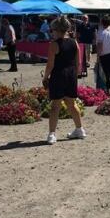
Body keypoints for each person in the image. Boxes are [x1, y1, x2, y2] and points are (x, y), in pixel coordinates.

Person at [42, 17, 86, 145]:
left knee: (55, 106)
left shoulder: (54, 44)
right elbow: (78, 62)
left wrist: (45, 77)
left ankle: (52, 134)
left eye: (52, 30)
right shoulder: (74, 42)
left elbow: (50, 64)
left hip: (58, 75)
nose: (51, 32)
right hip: (71, 75)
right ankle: (80, 129)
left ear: (56, 30)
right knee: (72, 104)